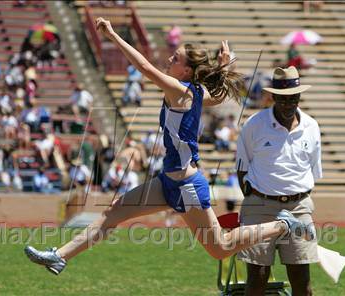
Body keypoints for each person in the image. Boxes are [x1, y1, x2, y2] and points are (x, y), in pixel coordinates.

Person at [24, 18, 312, 276]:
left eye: (176, 58)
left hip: (187, 184)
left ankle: (283, 225)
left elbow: (145, 67)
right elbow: (218, 95)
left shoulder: (182, 90)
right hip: (167, 181)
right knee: (112, 213)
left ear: (186, 70)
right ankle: (59, 256)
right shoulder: (194, 92)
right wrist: (225, 67)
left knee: (221, 247)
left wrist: (112, 35)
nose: (169, 58)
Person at [236, 66, 321, 295]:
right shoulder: (254, 124)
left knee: (301, 279)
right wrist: (258, 197)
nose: (288, 104)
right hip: (260, 205)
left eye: (293, 98)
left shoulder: (312, 127)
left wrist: (293, 194)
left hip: (299, 206)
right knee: (257, 276)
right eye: (283, 99)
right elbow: (242, 168)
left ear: (299, 97)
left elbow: (313, 170)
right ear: (272, 97)